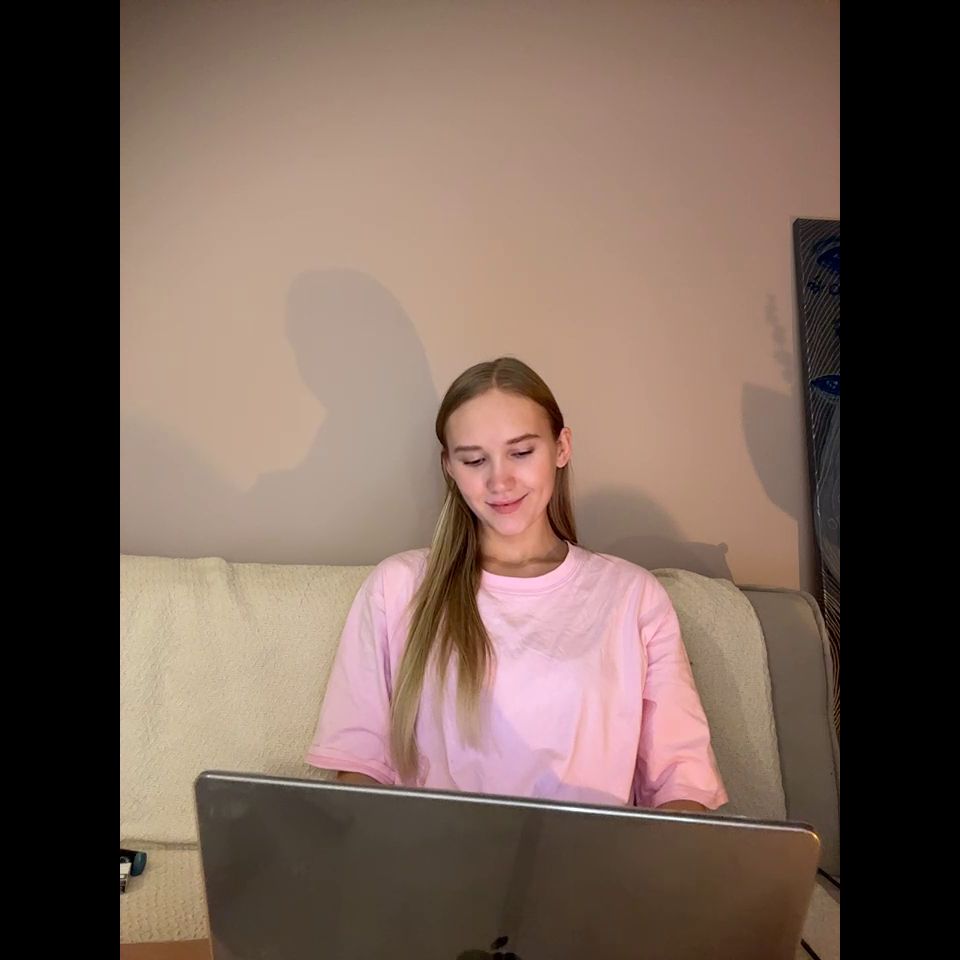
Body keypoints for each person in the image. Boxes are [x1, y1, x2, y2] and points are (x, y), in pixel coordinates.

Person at [306, 357, 727, 812]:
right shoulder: (398, 588)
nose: (500, 481)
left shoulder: (632, 596)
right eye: (474, 460)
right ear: (449, 467)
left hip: (592, 856)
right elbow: (358, 774)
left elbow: (683, 786)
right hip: (438, 854)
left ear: (561, 447)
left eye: (522, 453)